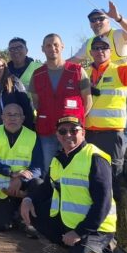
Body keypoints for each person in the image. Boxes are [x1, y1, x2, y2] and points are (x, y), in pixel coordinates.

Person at [20, 116, 120, 253]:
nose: (68, 135)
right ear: (57, 135)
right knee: (33, 205)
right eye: (63, 131)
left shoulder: (95, 158)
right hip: (68, 224)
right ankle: (69, 249)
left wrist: (79, 232)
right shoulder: (59, 159)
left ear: (83, 133)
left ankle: (109, 252)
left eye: (74, 130)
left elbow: (103, 204)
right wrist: (28, 199)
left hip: (95, 230)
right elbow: (46, 188)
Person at [70, 2, 127, 157]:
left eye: (100, 18)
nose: (97, 22)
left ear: (108, 20)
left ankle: (118, 161)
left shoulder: (116, 35)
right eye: (93, 20)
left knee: (123, 128)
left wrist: (119, 18)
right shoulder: (90, 42)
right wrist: (53, 66)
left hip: (124, 89)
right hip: (99, 90)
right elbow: (74, 60)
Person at [86, 34, 127, 199]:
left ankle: (113, 218)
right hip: (89, 133)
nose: (100, 51)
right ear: (91, 52)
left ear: (110, 51)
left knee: (112, 176)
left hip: (111, 134)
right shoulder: (86, 73)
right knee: (91, 174)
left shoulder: (119, 71)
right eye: (96, 48)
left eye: (104, 48)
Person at [29, 34, 92, 171]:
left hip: (72, 132)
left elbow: (88, 101)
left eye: (56, 44)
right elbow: (36, 102)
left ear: (62, 46)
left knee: (75, 168)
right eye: (48, 45)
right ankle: (51, 192)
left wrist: (77, 119)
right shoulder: (37, 74)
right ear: (42, 49)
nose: (52, 48)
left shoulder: (77, 71)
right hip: (47, 132)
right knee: (49, 169)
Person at [0, 104, 43, 234]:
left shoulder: (32, 136)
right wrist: (11, 173)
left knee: (39, 183)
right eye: (9, 115)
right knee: (2, 226)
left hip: (23, 186)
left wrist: (20, 180)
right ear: (2, 117)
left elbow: (38, 167)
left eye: (16, 115)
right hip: (0, 188)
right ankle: (13, 214)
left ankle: (24, 219)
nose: (12, 118)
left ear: (23, 118)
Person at [0, 55, 34, 130]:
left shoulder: (14, 83)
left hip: (11, 131)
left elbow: (27, 108)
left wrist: (25, 130)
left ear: (5, 68)